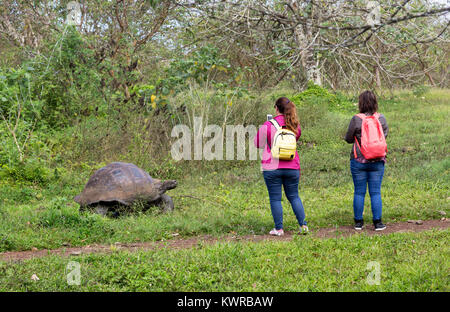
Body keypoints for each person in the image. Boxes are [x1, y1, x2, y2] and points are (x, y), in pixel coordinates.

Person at [254, 97, 308, 236]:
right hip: (292, 166)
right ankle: (303, 226)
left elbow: (257, 143)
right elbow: (295, 138)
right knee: (294, 196)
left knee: (275, 198)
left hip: (272, 167)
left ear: (276, 109)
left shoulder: (268, 125)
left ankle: (278, 229)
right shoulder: (295, 125)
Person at [345, 90, 389, 231]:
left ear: (360, 103)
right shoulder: (381, 118)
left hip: (359, 160)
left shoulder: (356, 119)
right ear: (375, 102)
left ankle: (359, 223)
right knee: (375, 192)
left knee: (359, 192)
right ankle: (378, 223)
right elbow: (384, 136)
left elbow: (348, 139)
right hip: (377, 160)